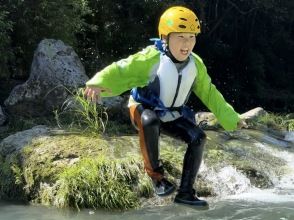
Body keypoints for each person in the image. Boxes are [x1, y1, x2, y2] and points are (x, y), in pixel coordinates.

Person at [84, 6, 247, 207]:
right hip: (142, 109)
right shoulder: (151, 58)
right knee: (150, 120)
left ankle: (186, 193)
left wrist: (232, 118)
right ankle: (157, 178)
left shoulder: (196, 65)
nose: (186, 44)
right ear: (165, 37)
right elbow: (122, 69)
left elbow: (210, 93)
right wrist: (98, 82)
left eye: (191, 37)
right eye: (180, 37)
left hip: (171, 114)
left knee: (198, 138)